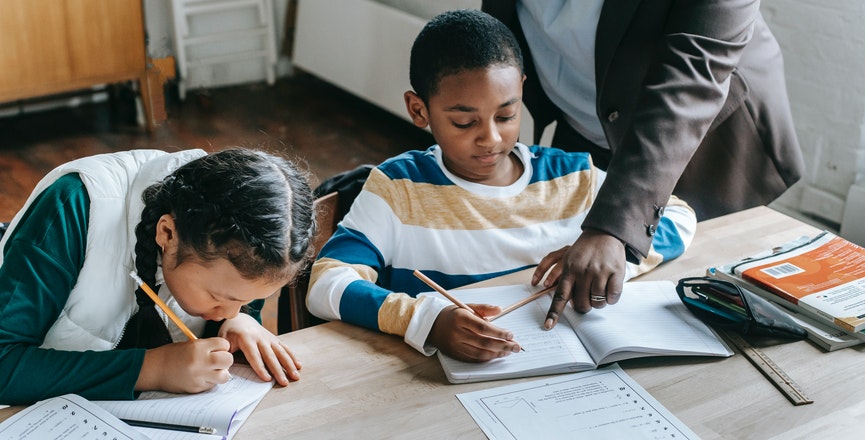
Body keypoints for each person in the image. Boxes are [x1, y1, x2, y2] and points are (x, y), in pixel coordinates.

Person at [306, 9, 697, 363]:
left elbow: (679, 216)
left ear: (522, 90)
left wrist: (608, 260)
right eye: (464, 122)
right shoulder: (399, 189)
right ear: (418, 109)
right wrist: (426, 320)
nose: (490, 138)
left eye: (506, 115)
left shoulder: (571, 175)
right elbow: (327, 282)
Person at [482, 0, 805, 326]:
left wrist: (611, 227)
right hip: (581, 124)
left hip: (705, 146)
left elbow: (691, 81)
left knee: (697, 310)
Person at [0, 148, 316, 404]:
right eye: (220, 298)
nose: (232, 309)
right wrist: (152, 370)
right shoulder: (73, 206)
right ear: (167, 233)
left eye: (250, 300)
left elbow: (233, 307)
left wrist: (238, 323)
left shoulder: (244, 244)